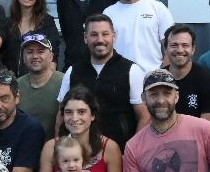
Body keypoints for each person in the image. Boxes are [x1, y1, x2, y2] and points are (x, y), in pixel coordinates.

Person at [57, 14, 147, 149]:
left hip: (120, 153)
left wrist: (132, 152)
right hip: (79, 156)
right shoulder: (72, 71)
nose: (100, 40)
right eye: (93, 34)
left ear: (114, 36)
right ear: (85, 38)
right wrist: (61, 149)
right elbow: (61, 115)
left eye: (105, 34)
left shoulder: (132, 71)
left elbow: (144, 117)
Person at [104, 0, 173, 72]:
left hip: (151, 79)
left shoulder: (158, 8)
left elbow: (171, 45)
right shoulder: (108, 13)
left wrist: (161, 73)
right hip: (119, 78)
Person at [3, 0, 61, 74]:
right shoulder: (8, 22)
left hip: (37, 81)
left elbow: (53, 55)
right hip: (10, 83)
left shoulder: (47, 22)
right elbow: (2, 55)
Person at [163, 24, 210, 126]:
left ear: (193, 49)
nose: (180, 50)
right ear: (165, 49)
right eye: (174, 45)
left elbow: (207, 128)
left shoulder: (207, 79)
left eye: (185, 45)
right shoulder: (158, 79)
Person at [16, 32, 64, 140]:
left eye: (40, 51)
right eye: (29, 52)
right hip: (26, 149)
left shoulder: (64, 82)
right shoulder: (16, 86)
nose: (35, 56)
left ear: (51, 56)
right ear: (23, 58)